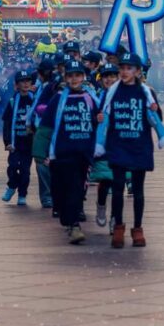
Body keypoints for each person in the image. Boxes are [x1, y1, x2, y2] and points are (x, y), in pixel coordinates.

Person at [96, 53, 164, 249]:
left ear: (138, 71)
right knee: (118, 187)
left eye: (129, 68)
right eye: (122, 68)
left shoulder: (145, 92)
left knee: (138, 190)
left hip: (139, 145)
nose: (124, 72)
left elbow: (157, 117)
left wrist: (154, 108)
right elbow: (104, 114)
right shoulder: (112, 91)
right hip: (118, 144)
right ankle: (118, 227)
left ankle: (138, 228)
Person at [39, 60, 99, 244]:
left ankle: (74, 225)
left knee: (76, 188)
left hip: (83, 153)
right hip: (61, 153)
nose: (74, 79)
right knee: (60, 190)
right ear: (65, 78)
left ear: (83, 77)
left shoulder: (90, 98)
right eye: (71, 76)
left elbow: (99, 122)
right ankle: (68, 218)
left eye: (78, 75)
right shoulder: (58, 99)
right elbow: (46, 126)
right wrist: (41, 153)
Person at [90, 64, 119, 230]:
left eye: (113, 76)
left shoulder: (122, 95)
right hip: (102, 146)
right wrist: (96, 118)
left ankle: (115, 218)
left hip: (119, 144)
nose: (109, 79)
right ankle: (101, 205)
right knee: (106, 181)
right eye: (106, 76)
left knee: (117, 184)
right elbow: (89, 118)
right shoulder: (96, 97)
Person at [1, 69, 36, 206]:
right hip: (15, 143)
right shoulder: (12, 101)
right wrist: (7, 142)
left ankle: (22, 194)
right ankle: (11, 186)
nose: (26, 84)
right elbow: (7, 124)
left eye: (28, 81)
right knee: (13, 166)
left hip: (29, 143)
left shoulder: (34, 99)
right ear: (17, 85)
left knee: (26, 171)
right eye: (22, 81)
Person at [29, 58, 58, 210]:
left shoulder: (55, 86)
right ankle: (47, 196)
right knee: (41, 162)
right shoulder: (40, 86)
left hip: (58, 130)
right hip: (41, 129)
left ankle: (55, 195)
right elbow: (36, 106)